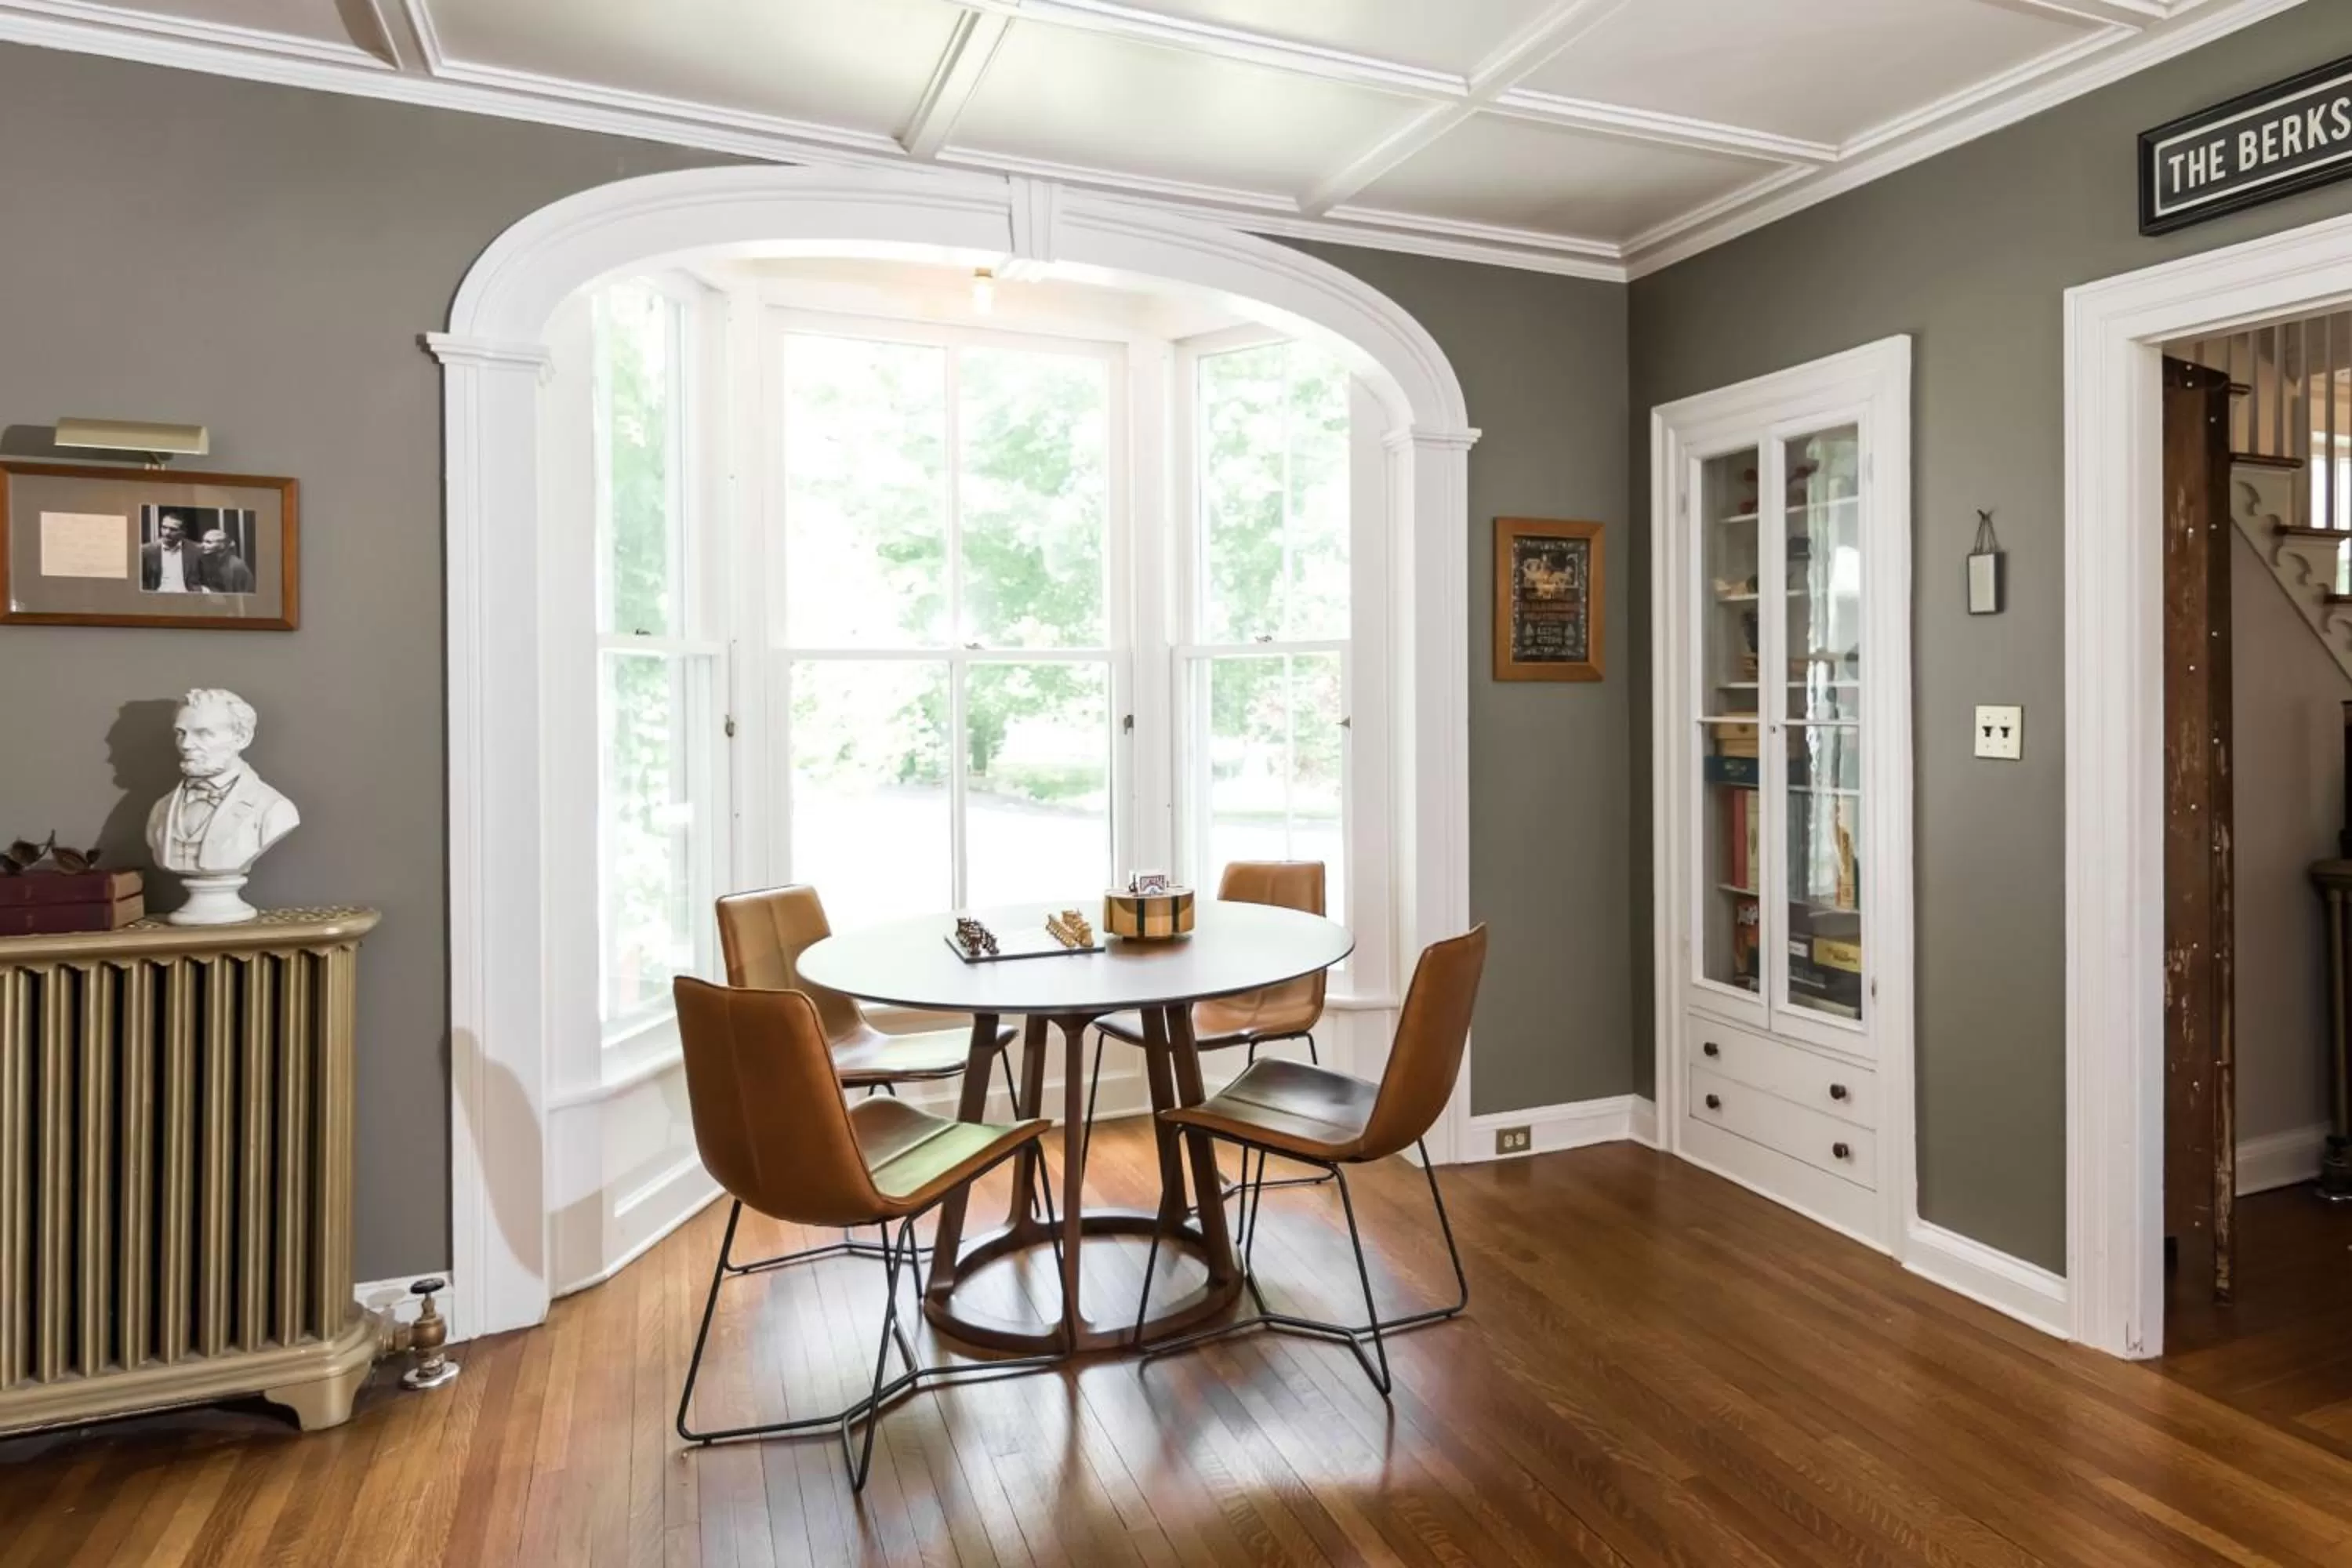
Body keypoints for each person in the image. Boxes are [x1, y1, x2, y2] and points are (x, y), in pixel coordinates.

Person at [145, 688, 298, 878]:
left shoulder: (274, 808)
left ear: (242, 738)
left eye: (202, 733)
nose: (185, 745)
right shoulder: (161, 809)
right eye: (181, 733)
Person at [139, 510, 200, 593]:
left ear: (183, 532)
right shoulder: (146, 551)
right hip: (157, 598)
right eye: (164, 527)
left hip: (186, 597)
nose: (167, 533)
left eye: (173, 529)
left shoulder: (195, 550)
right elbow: (141, 582)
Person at [194, 526, 254, 593]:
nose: (202, 545)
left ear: (222, 545)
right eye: (203, 541)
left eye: (209, 542)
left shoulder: (237, 565)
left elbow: (246, 593)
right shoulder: (205, 562)